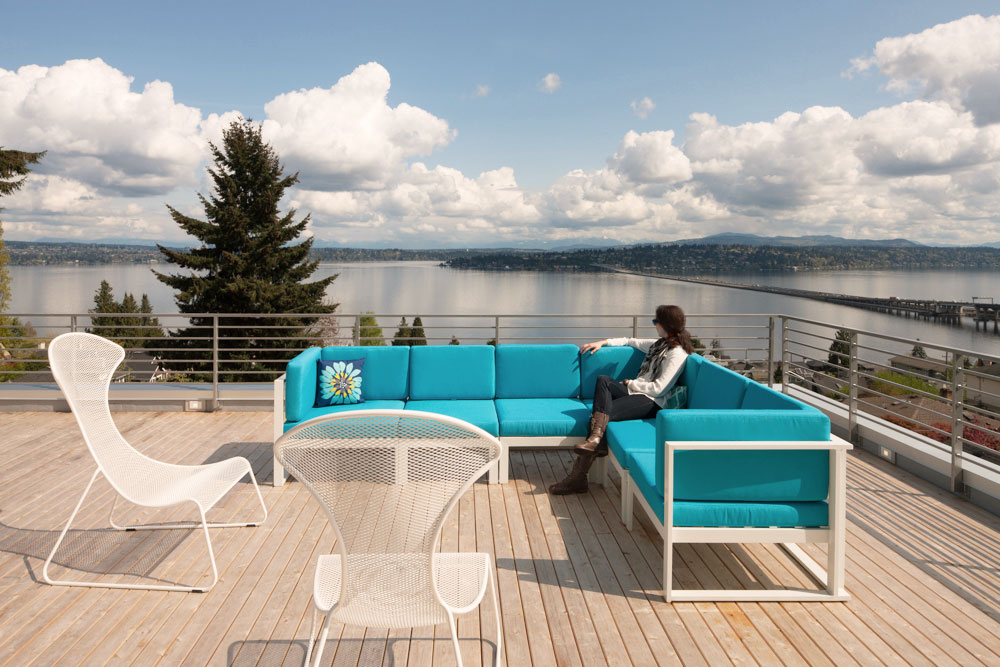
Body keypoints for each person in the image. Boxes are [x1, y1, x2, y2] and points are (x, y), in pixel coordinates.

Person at [549, 304, 695, 495]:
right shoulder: (658, 345)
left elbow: (660, 389)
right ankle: (597, 440)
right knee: (604, 381)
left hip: (652, 402)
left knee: (600, 416)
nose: (654, 325)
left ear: (665, 324)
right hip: (636, 392)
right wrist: (602, 343)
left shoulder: (676, 353)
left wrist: (631, 383)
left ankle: (578, 476)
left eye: (655, 321)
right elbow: (629, 341)